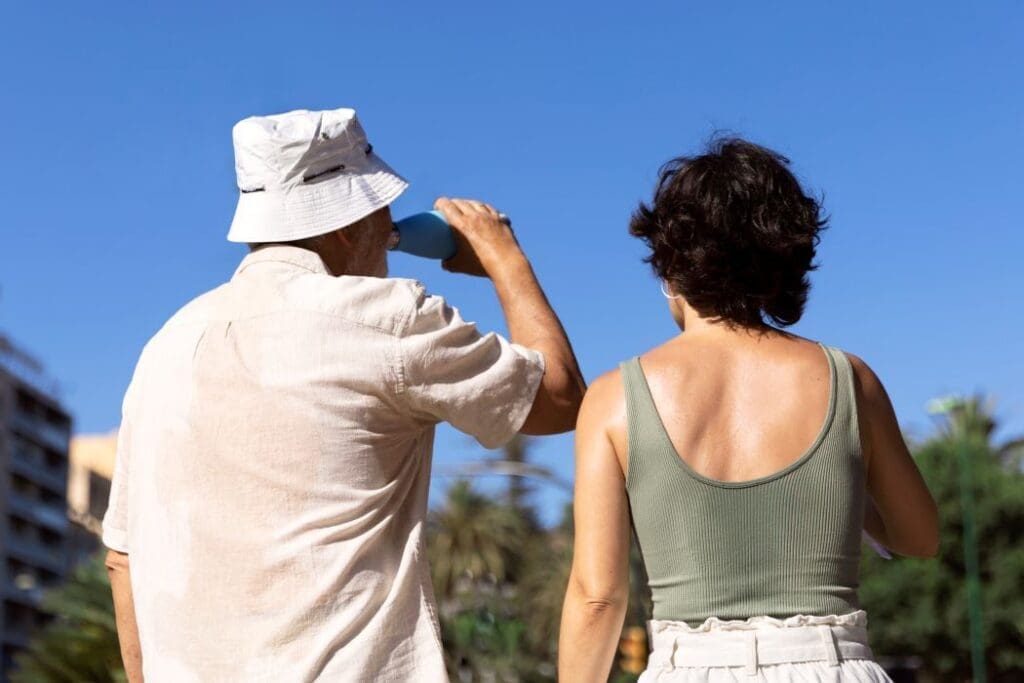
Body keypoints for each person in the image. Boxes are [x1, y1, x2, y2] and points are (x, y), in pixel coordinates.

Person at [102, 107, 585, 682]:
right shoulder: (385, 319)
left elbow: (121, 559)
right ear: (345, 225)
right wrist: (504, 257)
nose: (388, 239)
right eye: (382, 220)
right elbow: (559, 399)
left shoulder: (166, 347)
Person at [558, 138, 938, 682]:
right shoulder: (849, 379)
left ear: (669, 269)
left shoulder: (614, 397)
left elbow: (598, 597)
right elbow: (919, 537)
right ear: (783, 260)